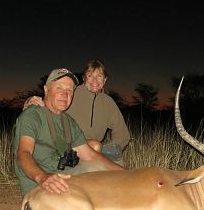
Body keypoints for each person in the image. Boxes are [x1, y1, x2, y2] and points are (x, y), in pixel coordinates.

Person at [14, 68, 124, 197]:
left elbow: (90, 156)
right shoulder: (32, 115)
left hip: (65, 177)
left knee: (95, 168)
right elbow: (23, 154)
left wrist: (127, 174)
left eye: (69, 90)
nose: (65, 94)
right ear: (46, 89)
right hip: (41, 187)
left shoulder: (68, 121)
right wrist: (43, 178)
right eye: (59, 88)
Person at [24, 59, 130, 163]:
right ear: (84, 78)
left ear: (105, 80)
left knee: (115, 160)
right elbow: (50, 105)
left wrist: (110, 149)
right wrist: (29, 102)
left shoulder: (108, 102)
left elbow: (122, 133)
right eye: (90, 76)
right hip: (70, 147)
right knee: (95, 147)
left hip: (94, 149)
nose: (95, 80)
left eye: (99, 76)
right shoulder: (71, 93)